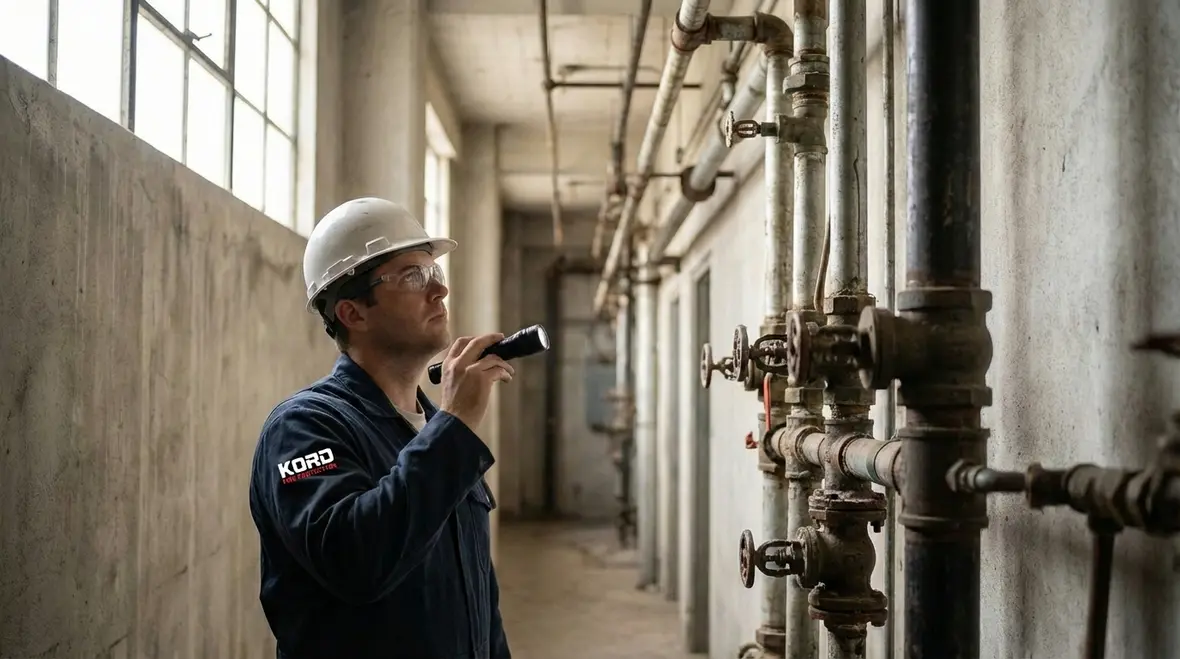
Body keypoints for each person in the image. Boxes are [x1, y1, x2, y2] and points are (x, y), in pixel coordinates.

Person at [248, 197, 514, 658]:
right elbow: (357, 563)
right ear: (353, 313)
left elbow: (479, 599)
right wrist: (454, 425)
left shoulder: (436, 432)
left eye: (434, 273)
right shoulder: (303, 428)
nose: (440, 290)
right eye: (413, 277)